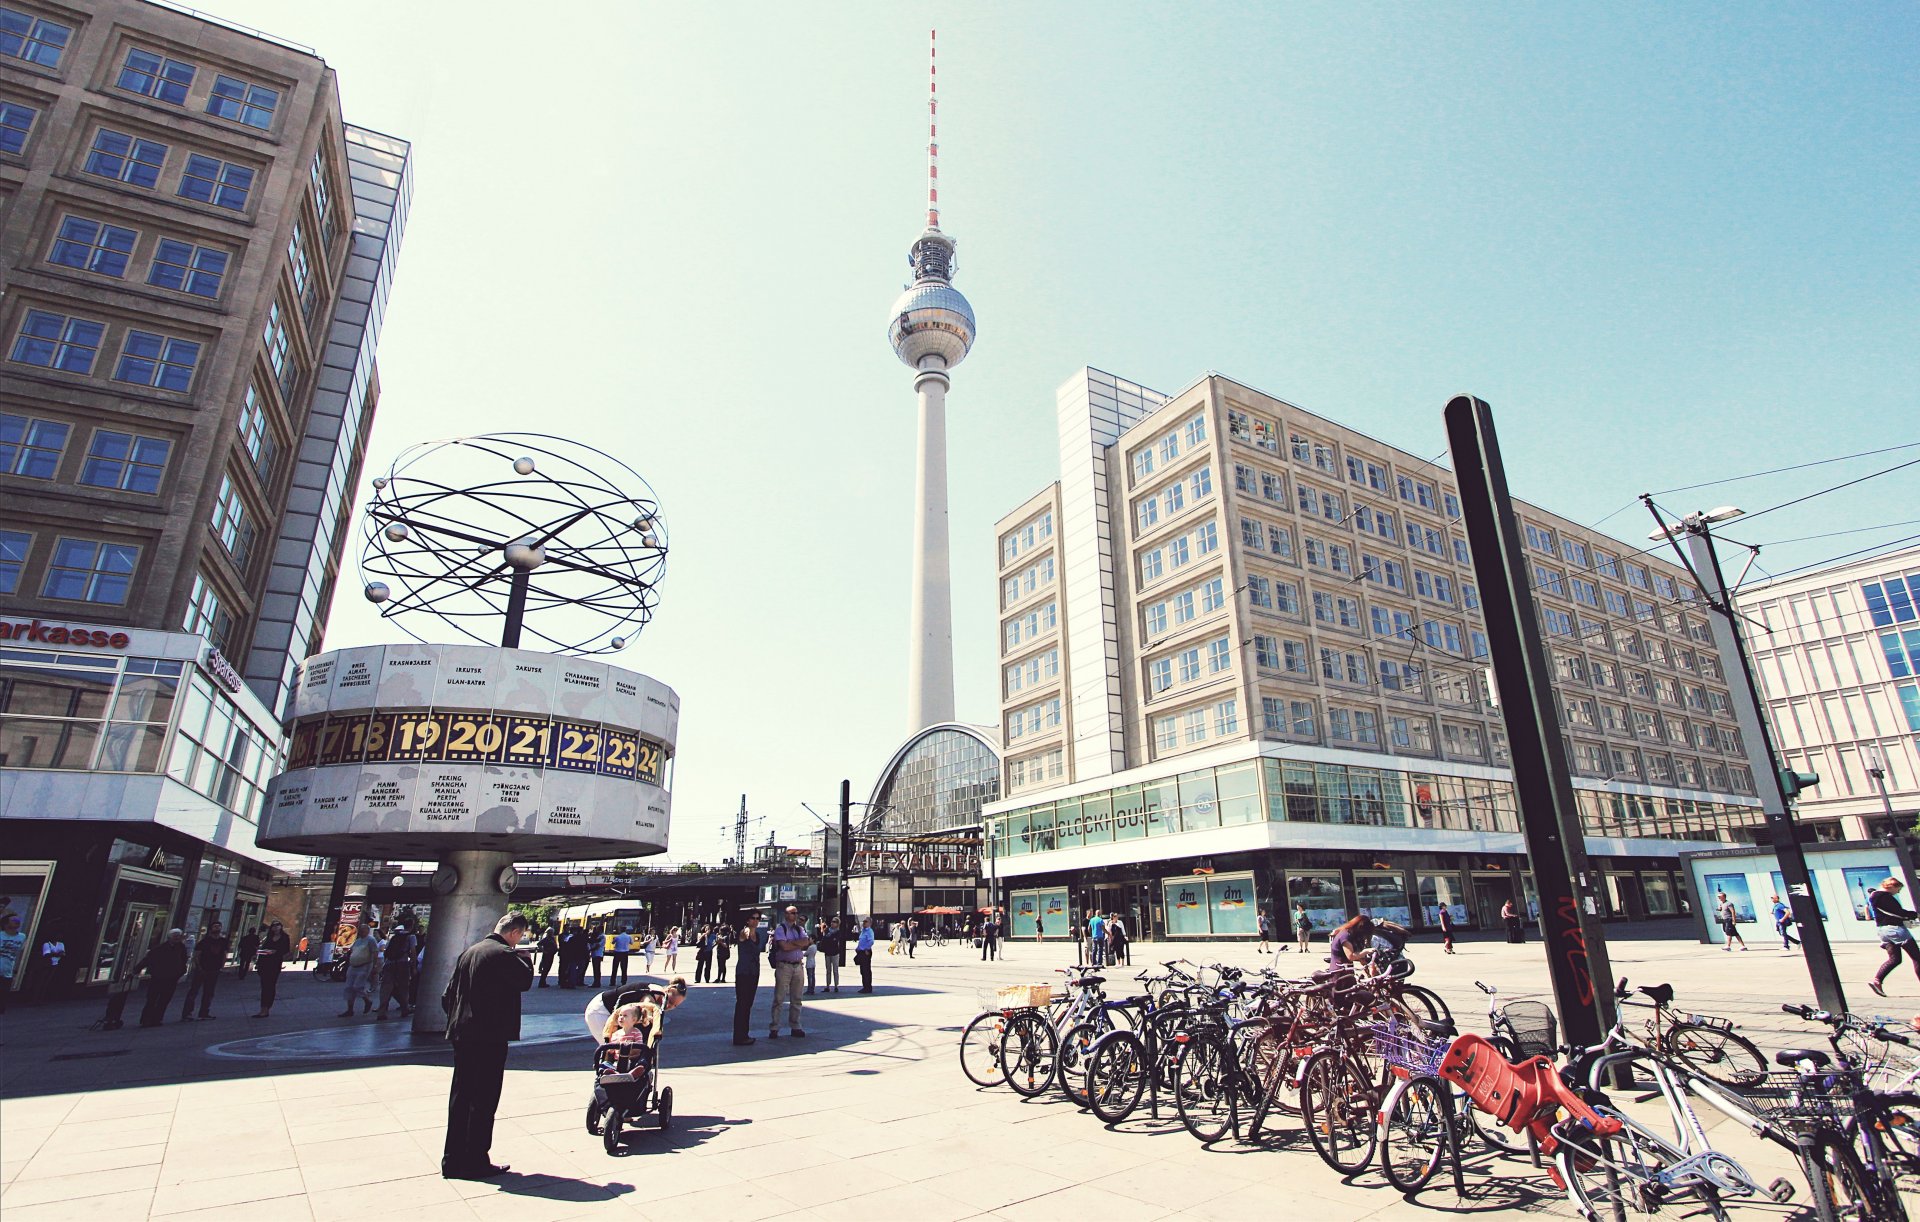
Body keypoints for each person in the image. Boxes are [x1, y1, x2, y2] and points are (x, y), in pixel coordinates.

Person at [441, 911, 534, 1180]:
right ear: (515, 933)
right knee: (483, 1099)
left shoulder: (469, 952)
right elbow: (524, 982)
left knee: (461, 1097)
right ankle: (475, 1160)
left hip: (462, 1034)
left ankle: (453, 1159)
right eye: (520, 937)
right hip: (488, 1036)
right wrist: (527, 961)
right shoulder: (504, 954)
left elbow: (447, 995)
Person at [1868, 878, 1920, 997]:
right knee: (1917, 957)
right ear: (1891, 886)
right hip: (1895, 929)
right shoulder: (1883, 896)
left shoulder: (1874, 896)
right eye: (1898, 889)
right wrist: (1914, 915)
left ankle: (1877, 981)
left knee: (1895, 959)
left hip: (1883, 930)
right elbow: (1897, 912)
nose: (1898, 892)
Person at [768, 905, 810, 1038]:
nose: (795, 915)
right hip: (784, 966)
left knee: (797, 998)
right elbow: (784, 946)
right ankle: (774, 1027)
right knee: (779, 998)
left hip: (798, 966)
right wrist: (797, 943)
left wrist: (792, 943)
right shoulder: (781, 929)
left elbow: (806, 942)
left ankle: (795, 1026)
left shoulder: (800, 929)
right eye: (793, 913)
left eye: (796, 913)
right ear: (786, 915)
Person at [137, 929, 189, 1027]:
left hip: (172, 978)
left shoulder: (181, 948)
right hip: (158, 977)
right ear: (169, 937)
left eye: (179, 936)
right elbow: (148, 959)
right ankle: (146, 1019)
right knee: (152, 999)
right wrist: (136, 970)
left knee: (164, 999)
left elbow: (183, 961)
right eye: (175, 936)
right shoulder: (160, 948)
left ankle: (157, 1019)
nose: (177, 938)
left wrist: (181, 972)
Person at [180, 920, 230, 1020]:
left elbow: (224, 954)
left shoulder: (223, 941)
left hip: (214, 969)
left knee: (209, 992)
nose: (217, 928)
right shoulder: (204, 941)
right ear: (211, 929)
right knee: (194, 991)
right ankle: (187, 1013)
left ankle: (204, 1013)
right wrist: (199, 967)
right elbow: (197, 955)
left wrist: (221, 966)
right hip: (202, 969)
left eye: (219, 926)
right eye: (215, 926)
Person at [732, 914, 762, 1045]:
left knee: (748, 1004)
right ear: (747, 920)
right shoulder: (744, 932)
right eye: (753, 918)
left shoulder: (758, 935)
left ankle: (744, 1034)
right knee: (742, 1004)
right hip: (743, 972)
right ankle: (739, 1036)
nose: (755, 920)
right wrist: (746, 933)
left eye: (757, 918)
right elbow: (743, 936)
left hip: (754, 972)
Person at [340, 919, 381, 1015]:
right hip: (353, 966)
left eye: (363, 930)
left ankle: (367, 1001)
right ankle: (349, 1010)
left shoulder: (371, 940)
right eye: (360, 930)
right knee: (349, 987)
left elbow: (375, 952)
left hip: (364, 966)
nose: (361, 932)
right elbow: (352, 951)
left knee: (358, 987)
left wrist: (375, 966)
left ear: (367, 930)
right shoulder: (358, 941)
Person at [378, 923, 417, 1020]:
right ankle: (405, 1009)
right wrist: (414, 967)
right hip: (402, 964)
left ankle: (381, 1012)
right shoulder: (411, 937)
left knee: (386, 988)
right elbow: (413, 951)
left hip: (389, 964)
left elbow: (386, 951)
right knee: (403, 988)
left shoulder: (394, 937)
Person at [253, 921, 290, 1016]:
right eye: (274, 925)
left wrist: (276, 952)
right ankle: (263, 1008)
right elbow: (263, 949)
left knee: (270, 986)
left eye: (278, 925)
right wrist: (259, 961)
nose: (276, 927)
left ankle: (266, 1008)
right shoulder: (268, 937)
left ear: (281, 927)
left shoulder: (285, 938)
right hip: (264, 963)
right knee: (264, 986)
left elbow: (286, 950)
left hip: (275, 964)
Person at [0, 911, 24, 1012]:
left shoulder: (22, 936)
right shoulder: (1, 935)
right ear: (6, 924)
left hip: (8, 968)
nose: (17, 921)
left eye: (18, 920)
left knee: (4, 992)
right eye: (14, 920)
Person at [820, 917, 845, 993]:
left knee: (835, 970)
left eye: (834, 922)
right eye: (832, 921)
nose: (832, 923)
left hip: (835, 953)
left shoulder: (838, 932)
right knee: (828, 970)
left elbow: (835, 940)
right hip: (827, 952)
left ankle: (836, 986)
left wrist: (829, 937)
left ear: (838, 924)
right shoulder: (827, 930)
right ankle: (827, 985)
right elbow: (824, 939)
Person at [854, 917, 876, 992]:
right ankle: (865, 986)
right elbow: (861, 941)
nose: (864, 923)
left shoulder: (869, 931)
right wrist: (858, 948)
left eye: (865, 921)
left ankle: (868, 987)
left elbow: (871, 941)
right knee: (862, 970)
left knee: (866, 969)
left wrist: (867, 948)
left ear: (869, 923)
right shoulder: (863, 931)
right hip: (861, 951)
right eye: (863, 921)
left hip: (866, 952)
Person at [804, 920, 820, 995]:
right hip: (813, 962)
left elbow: (806, 954)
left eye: (809, 939)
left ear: (813, 939)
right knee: (812, 976)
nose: (808, 940)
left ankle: (810, 989)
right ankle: (812, 988)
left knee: (810, 976)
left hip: (809, 963)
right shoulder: (815, 946)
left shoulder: (811, 947)